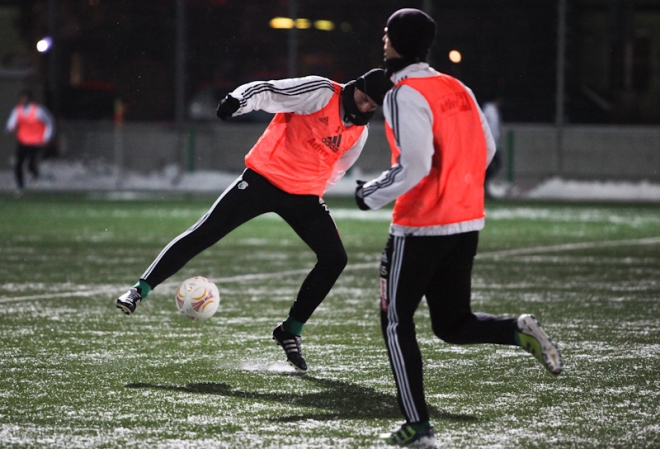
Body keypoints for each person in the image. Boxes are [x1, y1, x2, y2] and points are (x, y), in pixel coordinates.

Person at [354, 9, 564, 447]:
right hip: (465, 222)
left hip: (419, 226)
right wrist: (458, 191)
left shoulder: (402, 93)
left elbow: (413, 166)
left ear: (394, 41)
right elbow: (485, 149)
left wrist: (368, 194)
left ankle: (418, 427)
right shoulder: (457, 87)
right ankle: (514, 329)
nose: (383, 40)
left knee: (395, 323)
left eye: (387, 34)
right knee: (452, 324)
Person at [116, 68, 392, 374]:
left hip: (304, 196)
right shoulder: (322, 92)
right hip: (262, 179)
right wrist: (238, 100)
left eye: (373, 106)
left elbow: (338, 168)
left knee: (335, 259)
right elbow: (271, 91)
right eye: (364, 99)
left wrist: (312, 193)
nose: (366, 107)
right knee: (205, 232)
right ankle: (139, 290)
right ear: (358, 86)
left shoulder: (360, 132)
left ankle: (290, 329)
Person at [4, 90, 55, 192]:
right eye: (22, 98)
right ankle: (20, 185)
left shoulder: (38, 110)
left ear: (29, 99)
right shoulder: (17, 110)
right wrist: (9, 128)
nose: (23, 100)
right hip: (23, 141)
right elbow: (12, 122)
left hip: (36, 141)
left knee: (31, 163)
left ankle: (35, 176)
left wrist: (47, 137)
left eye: (25, 98)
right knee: (18, 164)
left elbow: (49, 123)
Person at [482, 93, 504, 197]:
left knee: (494, 165)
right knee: (496, 164)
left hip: (493, 143)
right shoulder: (488, 110)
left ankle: (484, 185)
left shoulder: (493, 111)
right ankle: (483, 184)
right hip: (488, 144)